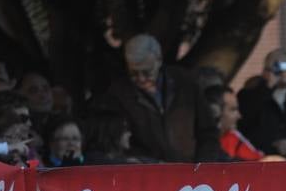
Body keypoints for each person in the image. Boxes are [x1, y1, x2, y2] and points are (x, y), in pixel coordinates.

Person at [94, 34, 221, 163]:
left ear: (159, 60)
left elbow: (208, 132)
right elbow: (115, 141)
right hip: (148, 174)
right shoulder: (118, 95)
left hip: (189, 172)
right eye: (134, 73)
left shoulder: (185, 82)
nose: (141, 79)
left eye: (147, 72)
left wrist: (203, 164)